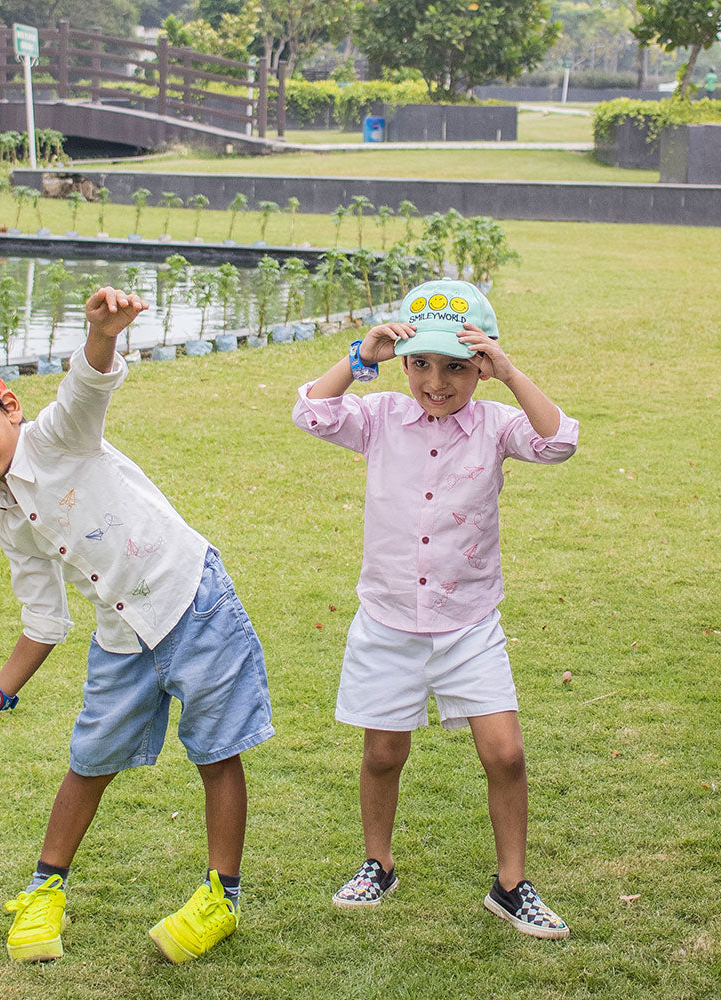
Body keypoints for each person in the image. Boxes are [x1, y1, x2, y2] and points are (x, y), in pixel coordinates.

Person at [0, 286, 273, 964]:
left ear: (8, 406)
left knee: (215, 751)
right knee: (88, 760)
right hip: (121, 637)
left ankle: (222, 896)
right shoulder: (12, 519)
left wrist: (102, 333)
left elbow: (87, 383)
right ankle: (45, 889)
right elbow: (44, 619)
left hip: (193, 602)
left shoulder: (59, 436)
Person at [291, 278, 577, 939]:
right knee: (384, 753)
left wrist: (508, 372)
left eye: (455, 366)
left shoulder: (498, 425)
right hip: (388, 621)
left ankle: (511, 886)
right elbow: (312, 411)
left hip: (469, 623)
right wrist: (362, 359)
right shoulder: (381, 416)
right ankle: (377, 863)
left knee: (504, 754)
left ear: (480, 364)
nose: (436, 382)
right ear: (404, 362)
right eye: (421, 363)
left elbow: (560, 441)